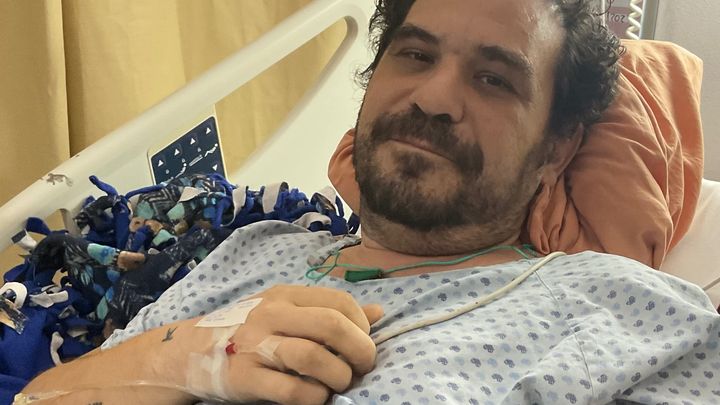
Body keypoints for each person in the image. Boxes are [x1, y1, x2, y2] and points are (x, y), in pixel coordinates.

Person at [19, 0, 720, 404]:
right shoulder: (255, 249)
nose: (435, 97)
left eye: (493, 79)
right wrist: (193, 355)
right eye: (415, 55)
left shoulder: (622, 307)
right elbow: (39, 397)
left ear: (556, 149)